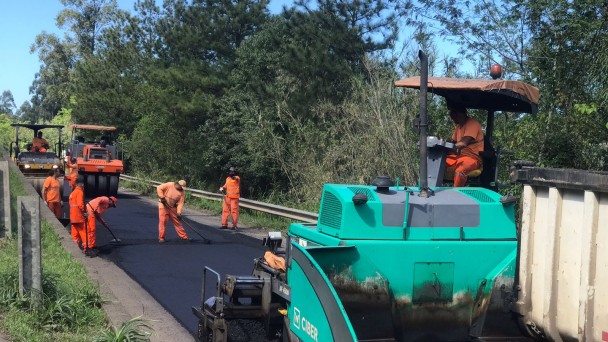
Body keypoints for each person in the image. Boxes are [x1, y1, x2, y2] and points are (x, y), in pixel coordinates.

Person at [445, 104, 484, 187]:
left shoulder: (472, 124)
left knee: (461, 170)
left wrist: (447, 146)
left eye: (453, 115)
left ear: (460, 114)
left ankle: (456, 194)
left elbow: (463, 143)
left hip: (472, 158)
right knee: (438, 162)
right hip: (459, 156)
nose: (452, 118)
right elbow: (453, 142)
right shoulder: (458, 127)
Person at [69, 179, 93, 256]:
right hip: (79, 217)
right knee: (84, 231)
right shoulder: (80, 192)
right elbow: (80, 204)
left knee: (75, 234)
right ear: (82, 185)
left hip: (73, 217)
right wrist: (85, 212)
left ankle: (73, 249)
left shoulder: (72, 193)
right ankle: (87, 248)